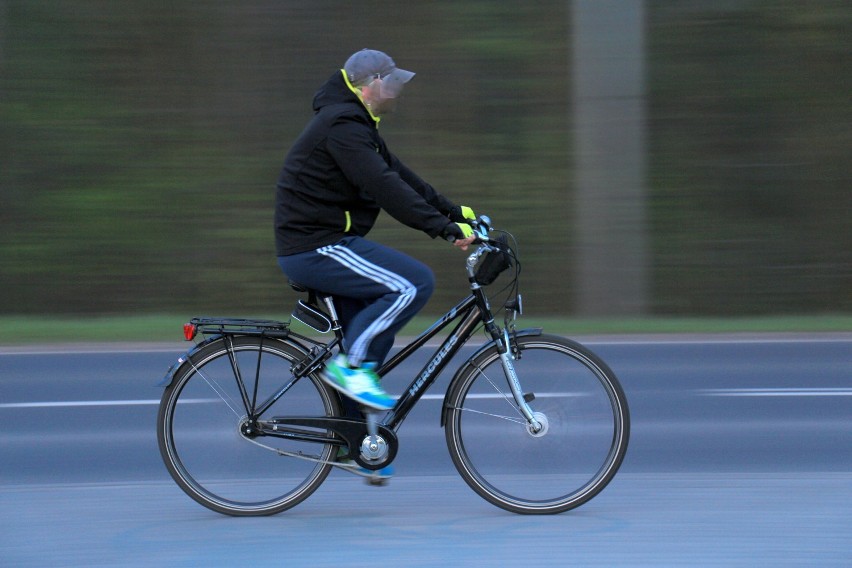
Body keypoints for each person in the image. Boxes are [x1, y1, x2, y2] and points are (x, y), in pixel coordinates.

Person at [274, 49, 477, 416]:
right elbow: (385, 187)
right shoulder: (343, 127)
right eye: (394, 82)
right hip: (314, 246)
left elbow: (400, 175)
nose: (399, 90)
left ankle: (351, 444)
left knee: (369, 337)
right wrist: (444, 229)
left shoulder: (356, 124)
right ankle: (350, 369)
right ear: (372, 85)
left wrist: (451, 210)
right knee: (412, 284)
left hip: (326, 242)